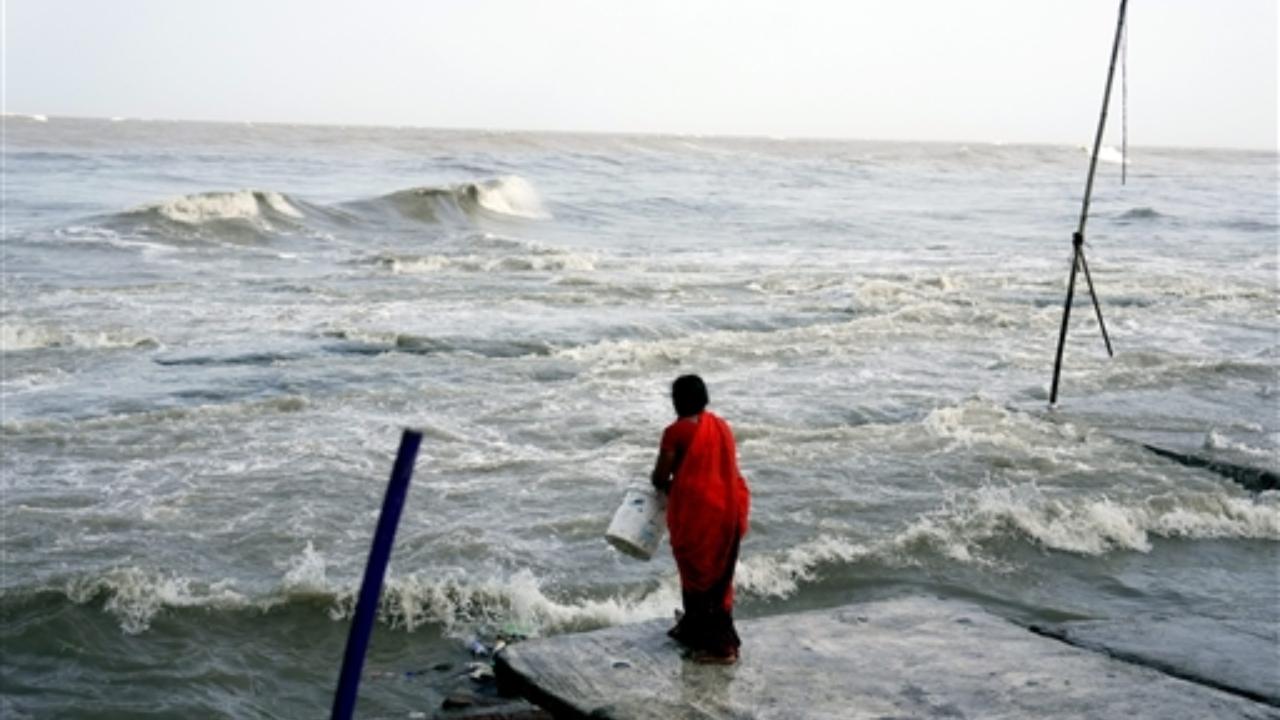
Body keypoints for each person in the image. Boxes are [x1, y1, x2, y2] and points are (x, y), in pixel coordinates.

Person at [651, 375, 750, 664]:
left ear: (677, 400)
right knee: (718, 575)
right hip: (729, 507)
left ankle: (721, 648)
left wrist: (664, 485)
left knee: (699, 576)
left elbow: (660, 476)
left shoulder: (676, 432)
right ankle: (695, 628)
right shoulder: (720, 426)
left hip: (699, 514)